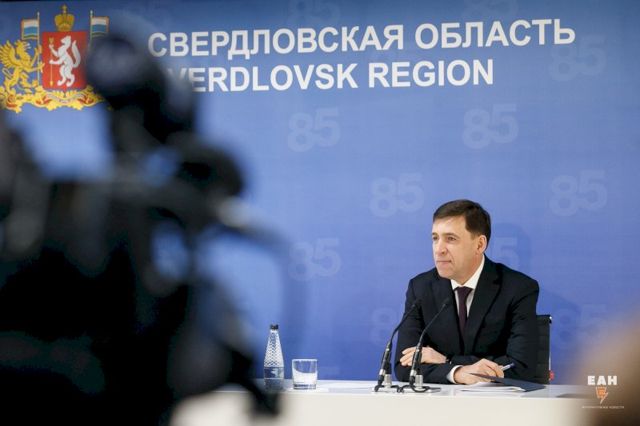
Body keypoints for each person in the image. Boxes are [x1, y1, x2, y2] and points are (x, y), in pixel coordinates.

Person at [394, 199, 539, 384]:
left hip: (497, 401)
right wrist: (457, 373)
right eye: (435, 238)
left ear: (479, 245)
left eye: (451, 239)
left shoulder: (517, 288)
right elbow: (404, 366)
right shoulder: (421, 288)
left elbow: (520, 366)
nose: (439, 249)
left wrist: (448, 361)